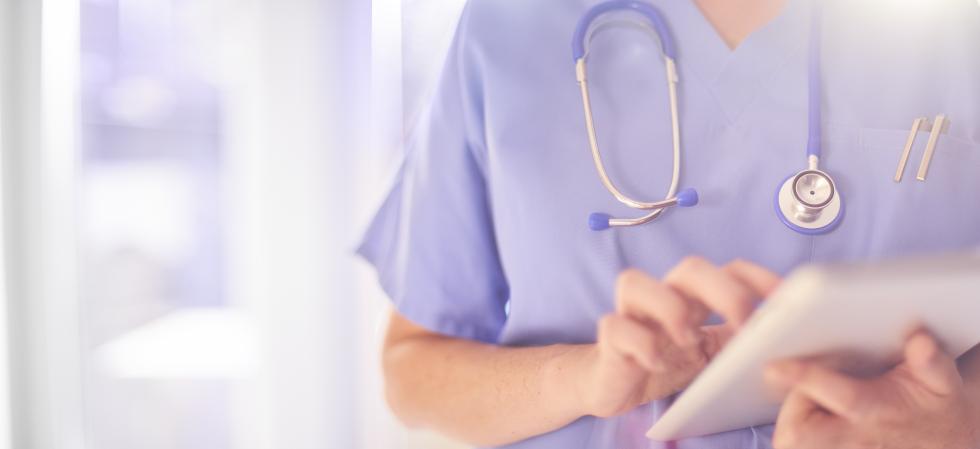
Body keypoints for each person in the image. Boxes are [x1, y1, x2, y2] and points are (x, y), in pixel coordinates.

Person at [357, 0, 980, 447]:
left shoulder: (955, 28)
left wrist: (965, 423)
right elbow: (413, 372)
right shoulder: (508, 26)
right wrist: (581, 379)